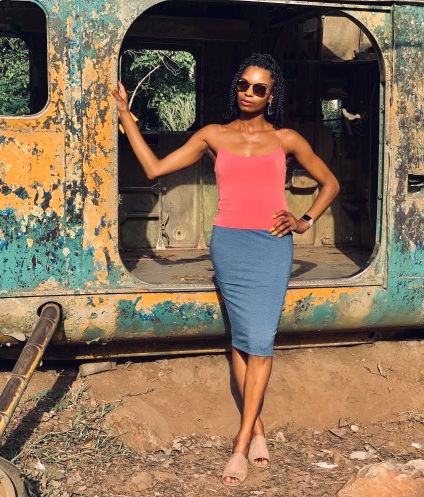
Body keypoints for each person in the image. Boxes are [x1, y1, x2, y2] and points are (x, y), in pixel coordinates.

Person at [112, 53, 339, 486]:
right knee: (241, 340)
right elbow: (154, 168)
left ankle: (240, 443)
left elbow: (331, 183)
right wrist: (125, 114)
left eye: (259, 88)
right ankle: (257, 431)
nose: (249, 93)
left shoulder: (287, 139)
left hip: (272, 246)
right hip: (229, 244)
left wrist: (304, 221)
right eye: (243, 85)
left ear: (271, 96)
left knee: (261, 342)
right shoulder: (213, 135)